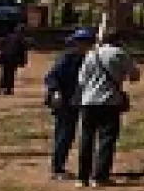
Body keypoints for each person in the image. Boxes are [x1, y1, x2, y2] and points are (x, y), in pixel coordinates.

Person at [74, 29, 140, 187]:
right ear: (119, 41)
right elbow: (134, 76)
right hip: (110, 101)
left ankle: (82, 177)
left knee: (86, 139)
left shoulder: (91, 54)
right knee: (106, 139)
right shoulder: (120, 54)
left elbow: (82, 80)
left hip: (88, 102)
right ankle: (100, 176)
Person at [44, 28, 94, 182]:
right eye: (82, 42)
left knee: (69, 134)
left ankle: (60, 166)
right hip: (64, 101)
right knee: (64, 134)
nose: (85, 46)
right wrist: (56, 91)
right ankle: (57, 168)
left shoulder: (88, 58)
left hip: (77, 101)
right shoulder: (67, 58)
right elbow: (51, 77)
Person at [0, 22, 33, 95]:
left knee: (4, 73)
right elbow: (23, 51)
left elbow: (2, 46)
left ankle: (1, 88)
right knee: (10, 74)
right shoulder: (21, 39)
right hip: (12, 57)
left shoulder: (8, 36)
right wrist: (23, 61)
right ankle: (8, 89)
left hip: (5, 56)